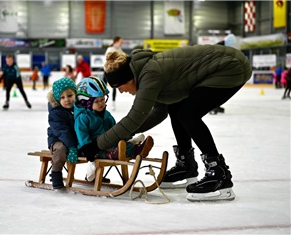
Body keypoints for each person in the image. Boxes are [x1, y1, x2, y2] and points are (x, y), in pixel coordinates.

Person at [82, 44, 252, 201]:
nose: (121, 91)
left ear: (129, 80)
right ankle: (187, 165)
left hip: (230, 67)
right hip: (222, 65)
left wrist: (97, 144)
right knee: (176, 108)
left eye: (119, 87)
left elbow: (135, 117)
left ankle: (219, 174)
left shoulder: (149, 74)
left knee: (188, 114)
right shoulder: (144, 72)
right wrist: (124, 133)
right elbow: (159, 112)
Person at [74, 76, 154, 182]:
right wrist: (88, 149)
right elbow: (82, 135)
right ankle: (126, 150)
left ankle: (136, 149)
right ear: (86, 103)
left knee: (122, 146)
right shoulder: (83, 118)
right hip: (89, 149)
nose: (101, 103)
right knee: (116, 151)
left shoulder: (107, 115)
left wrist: (124, 136)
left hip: (107, 144)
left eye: (103, 99)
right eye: (97, 101)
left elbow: (115, 130)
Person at [47, 78, 79, 189]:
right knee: (60, 150)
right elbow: (63, 132)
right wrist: (72, 147)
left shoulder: (79, 108)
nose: (67, 100)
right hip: (58, 139)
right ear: (57, 99)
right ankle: (56, 173)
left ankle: (92, 174)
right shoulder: (55, 113)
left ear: (75, 94)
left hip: (74, 140)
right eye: (62, 97)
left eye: (70, 96)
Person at [104, 36, 123, 111]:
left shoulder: (120, 50)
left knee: (115, 87)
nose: (121, 43)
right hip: (107, 70)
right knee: (104, 86)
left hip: (115, 71)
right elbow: (107, 60)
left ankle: (113, 103)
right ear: (116, 41)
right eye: (120, 42)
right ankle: (101, 100)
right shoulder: (110, 49)